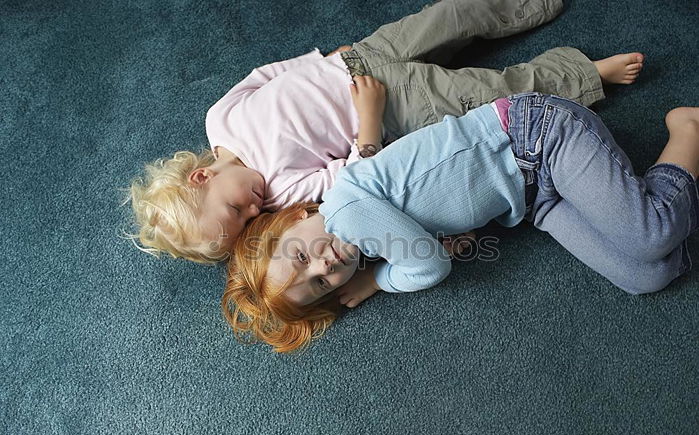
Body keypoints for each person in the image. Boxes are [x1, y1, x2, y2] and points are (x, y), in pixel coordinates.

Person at [125, 0, 644, 263]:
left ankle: (523, 6)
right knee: (489, 90)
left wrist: (325, 60)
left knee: (452, 16)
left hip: (358, 58)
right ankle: (584, 74)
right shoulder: (282, 189)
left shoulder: (220, 119)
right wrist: (369, 115)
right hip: (390, 111)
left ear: (199, 177)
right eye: (247, 222)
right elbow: (354, 171)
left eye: (236, 209)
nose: (254, 210)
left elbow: (266, 76)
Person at [221, 84, 699, 353]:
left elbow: (430, 267)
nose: (325, 266)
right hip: (532, 200)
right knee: (648, 274)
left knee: (652, 234)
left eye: (301, 255)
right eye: (321, 284)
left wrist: (376, 283)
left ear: (301, 214)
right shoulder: (369, 238)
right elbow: (448, 227)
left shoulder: (346, 210)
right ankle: (658, 198)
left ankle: (687, 128)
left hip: (541, 135)